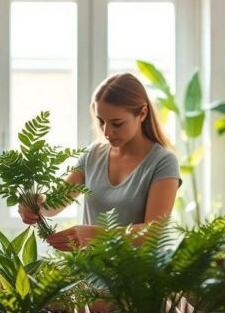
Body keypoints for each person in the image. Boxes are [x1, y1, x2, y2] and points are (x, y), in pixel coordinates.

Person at [18, 73, 181, 250]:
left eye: (117, 123)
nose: (107, 132)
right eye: (101, 121)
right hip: (91, 274)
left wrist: (94, 235)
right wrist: (35, 206)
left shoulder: (163, 162)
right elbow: (53, 204)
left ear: (142, 113)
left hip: (139, 276)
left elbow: (153, 232)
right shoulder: (92, 155)